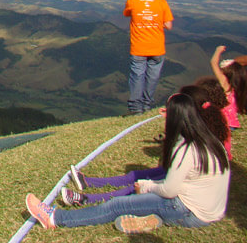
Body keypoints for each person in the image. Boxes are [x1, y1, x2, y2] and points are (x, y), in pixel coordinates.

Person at [26, 92, 230, 233]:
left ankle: (55, 218)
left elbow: (169, 190)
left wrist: (146, 186)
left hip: (188, 211)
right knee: (138, 201)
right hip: (210, 212)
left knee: (117, 206)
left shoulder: (187, 149)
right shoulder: (211, 141)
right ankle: (151, 219)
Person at [60, 83, 231, 207]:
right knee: (145, 175)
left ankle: (89, 199)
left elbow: (172, 178)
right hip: (191, 181)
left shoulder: (195, 142)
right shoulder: (204, 130)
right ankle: (90, 183)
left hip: (190, 192)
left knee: (141, 184)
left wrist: (147, 186)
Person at [123, 0, 174, 114]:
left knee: (137, 76)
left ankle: (136, 108)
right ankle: (147, 105)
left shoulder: (132, 1)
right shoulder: (162, 2)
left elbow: (127, 13)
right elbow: (169, 25)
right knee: (152, 77)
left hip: (138, 47)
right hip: (157, 47)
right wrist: (157, 23)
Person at [210, 45, 246, 130]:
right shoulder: (237, 85)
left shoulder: (224, 83)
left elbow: (213, 63)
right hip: (233, 122)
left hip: (223, 121)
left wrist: (217, 51)